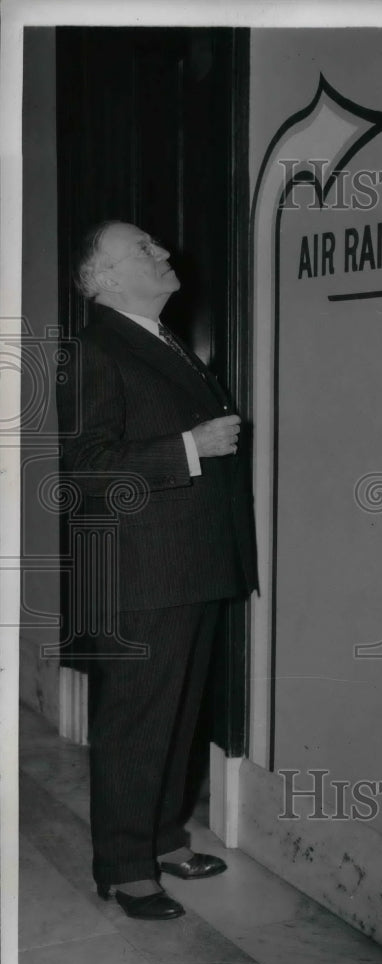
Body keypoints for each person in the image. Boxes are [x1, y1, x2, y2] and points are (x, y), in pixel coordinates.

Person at [57, 220, 258, 920]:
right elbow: (82, 471)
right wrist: (187, 447)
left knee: (177, 716)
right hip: (144, 571)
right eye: (143, 249)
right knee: (139, 721)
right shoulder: (94, 350)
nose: (165, 252)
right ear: (103, 279)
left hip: (193, 563)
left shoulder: (161, 341)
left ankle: (165, 836)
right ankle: (124, 864)